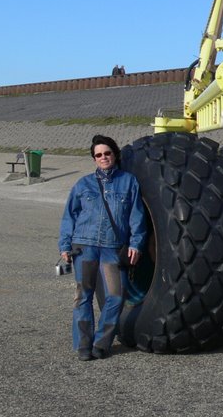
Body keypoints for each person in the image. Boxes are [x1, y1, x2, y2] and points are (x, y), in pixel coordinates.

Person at [58, 134, 147, 361]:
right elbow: (69, 216)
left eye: (107, 153)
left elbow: (137, 217)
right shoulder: (83, 184)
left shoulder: (129, 182)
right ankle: (83, 345)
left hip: (112, 247)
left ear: (115, 154)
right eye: (98, 155)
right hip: (84, 245)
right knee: (83, 296)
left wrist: (136, 243)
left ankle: (101, 342)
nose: (103, 157)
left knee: (116, 296)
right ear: (94, 158)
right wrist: (65, 245)